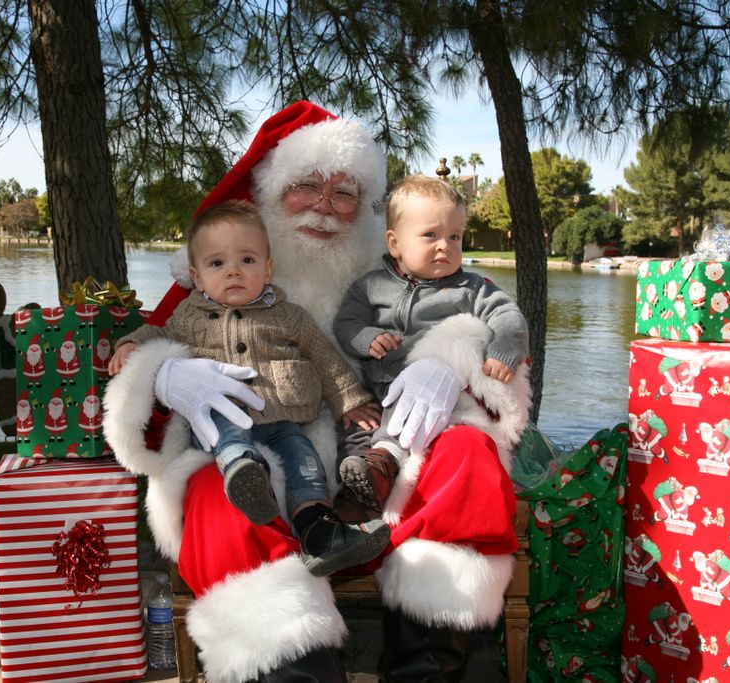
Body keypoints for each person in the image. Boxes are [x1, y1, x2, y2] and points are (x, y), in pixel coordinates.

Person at [103, 101, 530, 682]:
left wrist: (452, 358)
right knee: (210, 488)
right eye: (306, 186)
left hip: (382, 462)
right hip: (258, 467)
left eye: (344, 193)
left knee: (468, 455)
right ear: (269, 193)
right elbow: (143, 398)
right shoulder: (212, 280)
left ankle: (428, 671)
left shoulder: (392, 279)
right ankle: (296, 669)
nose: (326, 209)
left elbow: (498, 351)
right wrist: (164, 375)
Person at [109, 200, 388, 577]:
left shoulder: (290, 317)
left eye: (247, 260)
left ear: (268, 269)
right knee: (223, 423)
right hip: (222, 419)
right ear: (197, 275)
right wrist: (131, 344)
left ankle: (319, 530)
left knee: (304, 463)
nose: (234, 272)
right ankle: (242, 469)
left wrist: (350, 400)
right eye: (217, 264)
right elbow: (159, 332)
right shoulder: (190, 316)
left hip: (283, 422)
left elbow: (326, 361)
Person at [332, 175, 529, 512]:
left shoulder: (471, 288)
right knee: (353, 434)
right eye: (430, 235)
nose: (445, 246)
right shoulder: (371, 286)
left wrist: (503, 349)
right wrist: (367, 338)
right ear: (395, 244)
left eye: (455, 236)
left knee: (404, 437)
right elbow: (345, 322)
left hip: (438, 399)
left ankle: (385, 461)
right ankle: (358, 499)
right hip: (378, 394)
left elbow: (508, 317)